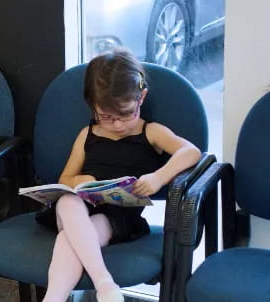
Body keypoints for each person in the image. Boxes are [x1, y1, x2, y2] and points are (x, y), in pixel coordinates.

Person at [42, 48, 201, 302]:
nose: (117, 124)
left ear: (141, 98)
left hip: (116, 219)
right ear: (92, 107)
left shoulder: (151, 133)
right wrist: (78, 181)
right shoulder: (88, 135)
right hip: (78, 209)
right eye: (106, 117)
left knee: (68, 240)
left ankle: (56, 298)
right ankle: (105, 283)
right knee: (68, 200)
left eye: (126, 114)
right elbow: (65, 180)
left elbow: (191, 152)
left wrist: (158, 177)